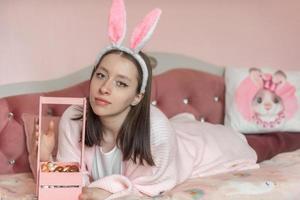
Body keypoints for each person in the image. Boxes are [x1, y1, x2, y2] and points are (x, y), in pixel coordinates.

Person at [34, 0, 258, 199]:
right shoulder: (74, 118)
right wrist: (45, 157)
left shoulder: (156, 132)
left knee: (238, 143)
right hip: (173, 135)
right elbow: (71, 188)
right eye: (101, 75)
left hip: (207, 147)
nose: (104, 88)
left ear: (137, 96)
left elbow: (146, 188)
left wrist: (104, 190)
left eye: (121, 83)